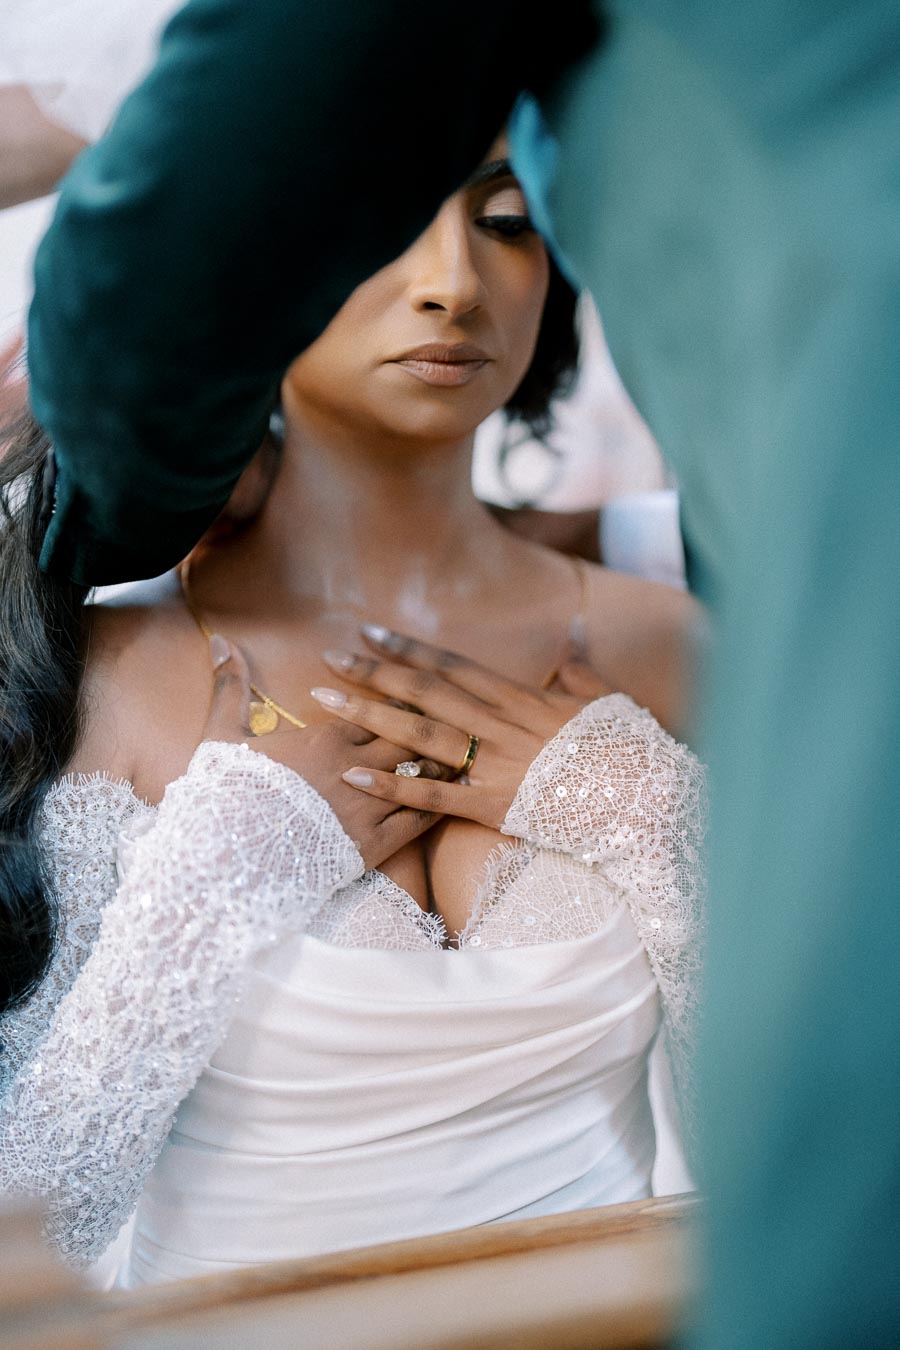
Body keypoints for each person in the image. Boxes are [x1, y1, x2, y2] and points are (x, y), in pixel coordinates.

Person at [0, 146, 704, 1285]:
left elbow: (808, 1148)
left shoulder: (667, 647)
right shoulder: (105, 669)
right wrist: (213, 886)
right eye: (379, 210)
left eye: (509, 220)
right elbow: (25, 1238)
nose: (454, 282)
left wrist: (657, 820)